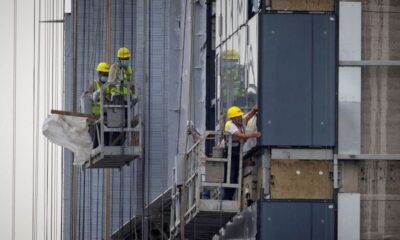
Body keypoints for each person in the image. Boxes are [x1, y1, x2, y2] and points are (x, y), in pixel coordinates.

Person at [223, 105, 261, 200]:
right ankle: (226, 198)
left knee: (235, 177)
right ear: (232, 119)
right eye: (237, 117)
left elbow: (247, 117)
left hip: (236, 152)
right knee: (231, 178)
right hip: (230, 152)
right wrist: (254, 135)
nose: (240, 118)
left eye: (240, 116)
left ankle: (229, 197)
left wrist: (254, 110)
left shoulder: (240, 121)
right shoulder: (230, 125)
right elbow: (240, 135)